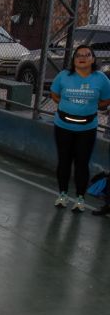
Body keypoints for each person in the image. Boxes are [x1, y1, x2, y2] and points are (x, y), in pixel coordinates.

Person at [50, 44, 110, 212]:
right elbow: (54, 94)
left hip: (87, 129)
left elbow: (107, 99)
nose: (82, 58)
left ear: (93, 59)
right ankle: (62, 195)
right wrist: (65, 104)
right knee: (64, 161)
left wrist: (95, 106)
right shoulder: (64, 76)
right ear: (74, 60)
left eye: (86, 55)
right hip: (63, 126)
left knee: (82, 163)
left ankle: (80, 198)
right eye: (78, 55)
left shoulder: (100, 79)